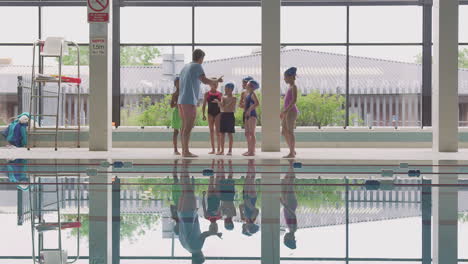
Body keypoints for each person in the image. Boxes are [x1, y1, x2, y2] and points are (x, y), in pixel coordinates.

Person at [178, 49, 223, 157]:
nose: (203, 61)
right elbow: (204, 80)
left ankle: (184, 151)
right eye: (203, 58)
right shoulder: (197, 66)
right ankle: (185, 152)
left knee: (184, 127)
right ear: (201, 58)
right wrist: (217, 81)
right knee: (188, 127)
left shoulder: (185, 67)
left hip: (182, 99)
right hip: (189, 100)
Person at [177, 159, 222, 264]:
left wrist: (215, 234)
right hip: (181, 214)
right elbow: (179, 231)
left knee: (188, 189)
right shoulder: (185, 247)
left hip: (188, 214)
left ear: (201, 256)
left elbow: (204, 234)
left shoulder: (197, 247)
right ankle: (183, 167)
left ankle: (185, 166)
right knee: (185, 189)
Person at [281, 67, 299, 158]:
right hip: (287, 111)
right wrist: (283, 112)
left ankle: (291, 152)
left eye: (285, 77)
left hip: (291, 112)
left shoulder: (294, 87)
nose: (284, 79)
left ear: (291, 77)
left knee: (290, 131)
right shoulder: (289, 87)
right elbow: (287, 101)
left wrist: (286, 111)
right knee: (284, 131)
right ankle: (292, 150)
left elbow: (294, 101)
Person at [215, 82, 237, 155]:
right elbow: (222, 107)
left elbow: (227, 107)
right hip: (223, 115)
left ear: (231, 89)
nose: (225, 90)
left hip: (230, 116)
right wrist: (218, 102)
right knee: (222, 133)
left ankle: (230, 150)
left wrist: (222, 105)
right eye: (225, 89)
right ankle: (222, 150)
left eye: (226, 89)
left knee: (230, 134)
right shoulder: (223, 97)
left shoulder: (234, 98)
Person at [240, 159, 259, 236]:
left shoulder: (245, 219)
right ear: (250, 226)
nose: (245, 227)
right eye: (247, 228)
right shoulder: (252, 219)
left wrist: (241, 213)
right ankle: (253, 163)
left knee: (247, 178)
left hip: (245, 197)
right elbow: (256, 210)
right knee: (252, 179)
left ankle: (249, 163)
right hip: (251, 198)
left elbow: (240, 206)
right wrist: (248, 204)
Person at [202, 80, 222, 154]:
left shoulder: (220, 94)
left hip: (218, 113)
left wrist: (218, 102)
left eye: (217, 83)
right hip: (210, 113)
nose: (216, 85)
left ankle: (219, 149)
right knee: (211, 131)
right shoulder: (207, 94)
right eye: (214, 84)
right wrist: (203, 114)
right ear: (210, 85)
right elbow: (204, 104)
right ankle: (213, 149)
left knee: (218, 131)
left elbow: (222, 105)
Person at [281, 160, 298, 250]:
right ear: (290, 238)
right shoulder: (293, 229)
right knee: (289, 184)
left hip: (288, 204)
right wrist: (284, 204)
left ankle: (290, 166)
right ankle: (291, 165)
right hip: (290, 204)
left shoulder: (291, 229)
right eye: (285, 238)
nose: (284, 237)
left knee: (284, 183)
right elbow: (293, 215)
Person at [243, 80, 260, 156]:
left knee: (252, 133)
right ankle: (249, 150)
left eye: (248, 84)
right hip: (247, 115)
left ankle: (252, 151)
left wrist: (250, 109)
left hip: (252, 115)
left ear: (251, 87)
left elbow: (257, 103)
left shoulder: (253, 94)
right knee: (247, 133)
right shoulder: (248, 94)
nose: (246, 85)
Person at [219, 159, 236, 231]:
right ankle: (224, 163)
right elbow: (221, 207)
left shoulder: (233, 214)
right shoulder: (224, 215)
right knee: (225, 177)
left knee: (229, 177)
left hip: (229, 196)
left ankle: (228, 163)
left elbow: (222, 207)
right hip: (225, 197)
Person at [170, 77, 182, 155]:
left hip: (184, 112)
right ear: (175, 84)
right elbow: (171, 105)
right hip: (177, 113)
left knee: (183, 131)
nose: (179, 84)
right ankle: (175, 149)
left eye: (180, 82)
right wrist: (177, 104)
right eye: (177, 83)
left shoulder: (185, 93)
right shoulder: (174, 94)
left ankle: (185, 148)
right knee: (176, 131)